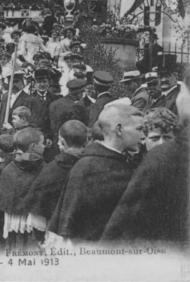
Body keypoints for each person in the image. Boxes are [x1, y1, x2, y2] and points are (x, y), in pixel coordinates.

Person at [101, 69, 189, 244]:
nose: (161, 143)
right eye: (155, 138)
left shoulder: (171, 159)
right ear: (143, 139)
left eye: (168, 138)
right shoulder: (132, 166)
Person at [49, 104, 143, 243]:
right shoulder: (88, 167)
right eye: (139, 129)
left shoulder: (120, 160)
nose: (143, 135)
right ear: (119, 129)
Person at [22, 120, 88, 245]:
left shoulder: (51, 170)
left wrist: (41, 239)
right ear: (86, 141)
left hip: (56, 235)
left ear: (62, 142)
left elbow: (37, 212)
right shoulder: (91, 165)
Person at [0, 128, 46, 250]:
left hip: (16, 220)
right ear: (33, 146)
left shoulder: (9, 168)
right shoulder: (43, 169)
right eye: (42, 143)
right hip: (32, 222)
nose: (44, 146)